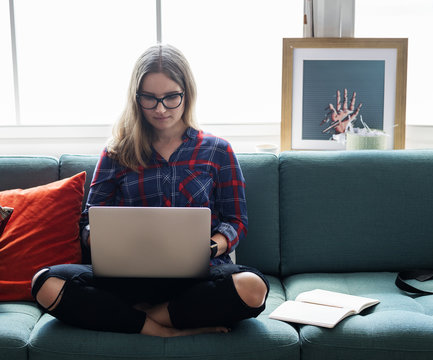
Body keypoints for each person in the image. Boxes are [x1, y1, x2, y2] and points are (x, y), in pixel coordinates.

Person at [31, 44, 269, 337]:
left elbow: (236, 222)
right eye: (149, 98)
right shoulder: (117, 151)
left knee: (253, 288)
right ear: (136, 98)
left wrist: (207, 247)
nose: (160, 108)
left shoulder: (218, 151)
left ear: (187, 93)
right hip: (126, 278)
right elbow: (88, 221)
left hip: (198, 277)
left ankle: (142, 318)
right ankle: (161, 327)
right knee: (45, 283)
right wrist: (106, 241)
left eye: (171, 97)